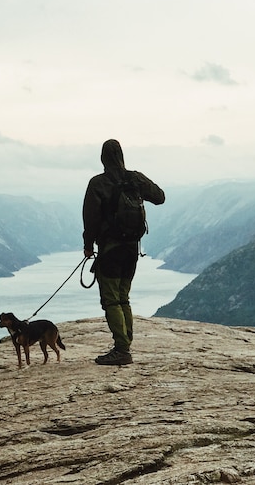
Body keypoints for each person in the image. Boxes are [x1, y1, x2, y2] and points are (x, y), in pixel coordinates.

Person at [83, 139, 165, 365]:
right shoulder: (135, 178)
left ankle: (122, 349)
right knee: (123, 297)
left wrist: (88, 245)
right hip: (132, 249)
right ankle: (125, 343)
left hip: (109, 249)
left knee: (111, 300)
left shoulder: (98, 183)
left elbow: (90, 219)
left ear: (102, 158)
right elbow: (160, 197)